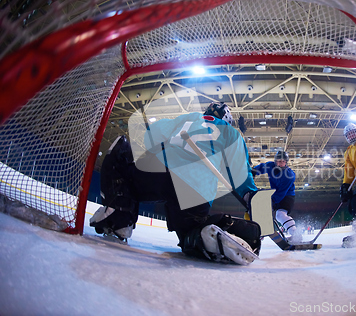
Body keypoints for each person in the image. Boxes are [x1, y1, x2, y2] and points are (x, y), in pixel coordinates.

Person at [91, 102, 261, 265]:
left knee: (122, 158)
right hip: (197, 189)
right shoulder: (231, 133)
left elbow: (151, 134)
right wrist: (250, 195)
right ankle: (204, 236)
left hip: (161, 171)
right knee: (191, 233)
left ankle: (119, 219)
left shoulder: (189, 118)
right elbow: (240, 174)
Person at [252, 150, 301, 242]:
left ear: (286, 162)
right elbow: (262, 167)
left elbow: (281, 193)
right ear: (275, 161)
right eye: (278, 161)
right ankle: (260, 233)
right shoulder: (271, 166)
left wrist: (272, 201)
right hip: (275, 194)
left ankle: (296, 234)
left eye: (283, 161)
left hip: (287, 196)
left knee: (280, 215)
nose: (280, 163)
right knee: (266, 212)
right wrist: (254, 171)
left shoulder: (289, 175)